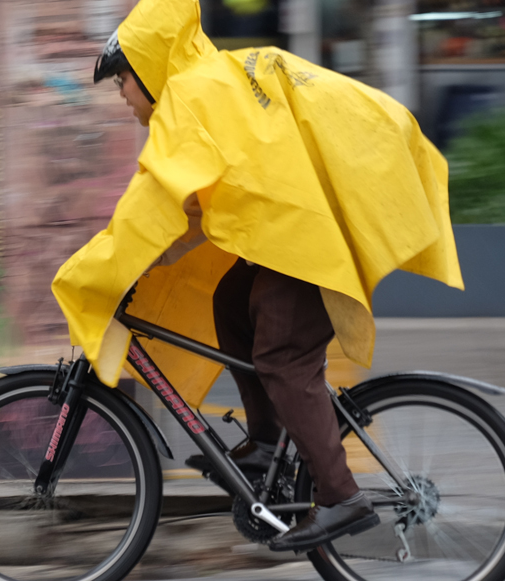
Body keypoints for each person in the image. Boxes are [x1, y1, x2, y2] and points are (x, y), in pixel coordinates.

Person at [53, 0, 463, 552]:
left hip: (304, 243)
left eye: (122, 80)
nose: (122, 95)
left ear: (148, 69)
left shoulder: (189, 100)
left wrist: (96, 269)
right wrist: (142, 258)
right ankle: (268, 443)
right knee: (229, 302)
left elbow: (151, 205)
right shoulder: (209, 81)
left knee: (283, 357)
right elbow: (188, 208)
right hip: (295, 236)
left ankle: (342, 498)